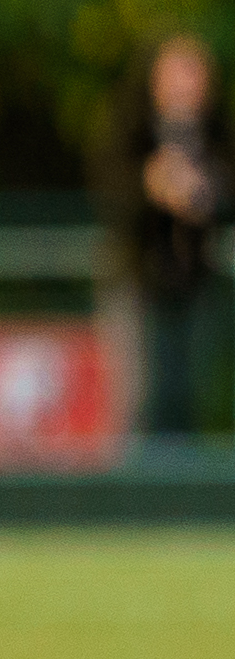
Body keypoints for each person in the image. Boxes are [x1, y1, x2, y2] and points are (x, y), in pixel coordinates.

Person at [117, 35, 232, 437]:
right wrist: (151, 185)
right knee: (142, 401)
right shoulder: (130, 130)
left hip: (198, 286)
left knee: (193, 400)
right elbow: (111, 193)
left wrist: (205, 194)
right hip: (138, 282)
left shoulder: (218, 136)